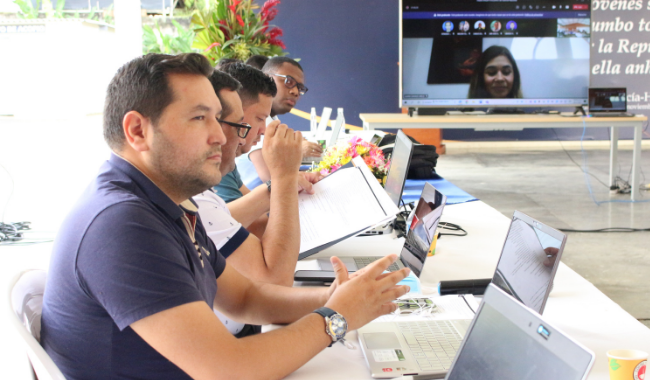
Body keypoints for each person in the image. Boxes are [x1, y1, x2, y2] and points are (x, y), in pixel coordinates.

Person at [41, 53, 410, 380]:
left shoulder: (165, 201)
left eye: (218, 119)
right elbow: (230, 370)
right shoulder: (121, 225)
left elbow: (246, 298)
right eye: (200, 118)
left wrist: (333, 297)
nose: (221, 135)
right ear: (138, 131)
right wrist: (336, 319)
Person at [244, 57, 324, 183]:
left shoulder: (272, 120)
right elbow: (271, 179)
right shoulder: (255, 120)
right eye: (288, 82)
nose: (295, 91)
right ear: (266, 79)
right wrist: (297, 152)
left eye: (300, 88)